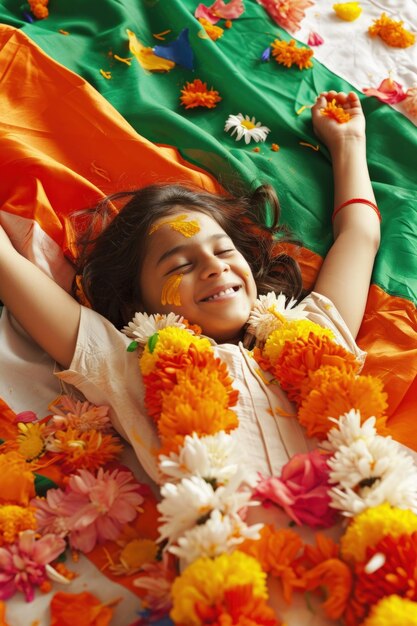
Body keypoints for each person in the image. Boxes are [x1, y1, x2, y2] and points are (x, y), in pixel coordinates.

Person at [0, 89, 383, 622]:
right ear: (140, 301)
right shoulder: (130, 362)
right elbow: (8, 267)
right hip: (245, 591)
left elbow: (360, 235)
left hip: (386, 549)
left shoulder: (313, 330)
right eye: (179, 264)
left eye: (224, 251)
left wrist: (348, 143)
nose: (214, 267)